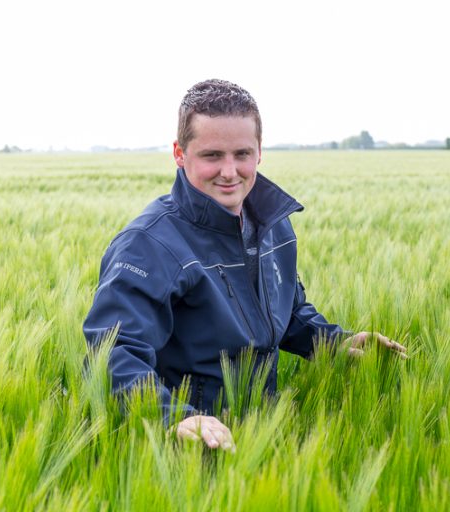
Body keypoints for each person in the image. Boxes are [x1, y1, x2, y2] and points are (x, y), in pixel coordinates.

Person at [83, 79, 406, 451]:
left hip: (259, 435)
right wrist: (173, 417)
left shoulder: (272, 225)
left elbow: (284, 312)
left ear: (259, 153)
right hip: (191, 446)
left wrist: (334, 342)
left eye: (241, 154)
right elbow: (113, 351)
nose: (229, 171)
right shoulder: (148, 244)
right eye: (211, 155)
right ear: (179, 153)